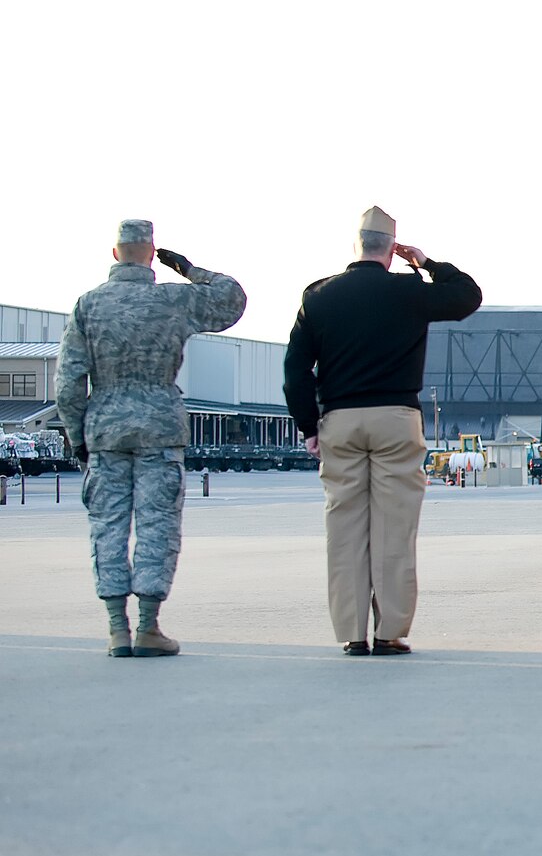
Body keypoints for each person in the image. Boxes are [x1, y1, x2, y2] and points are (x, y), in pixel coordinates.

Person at [283, 207, 482, 655]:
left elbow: (296, 368)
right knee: (395, 528)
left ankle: (353, 633)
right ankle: (389, 631)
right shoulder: (410, 290)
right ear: (392, 249)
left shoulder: (318, 296)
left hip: (340, 420)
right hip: (395, 417)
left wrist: (307, 425)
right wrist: (427, 264)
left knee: (345, 528)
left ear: (354, 246)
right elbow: (468, 296)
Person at [56, 219, 246, 657]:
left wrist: (77, 434)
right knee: (157, 525)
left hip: (104, 428)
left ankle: (116, 629)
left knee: (107, 526)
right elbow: (232, 299)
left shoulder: (89, 305)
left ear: (115, 252)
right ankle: (148, 626)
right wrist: (190, 270)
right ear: (152, 252)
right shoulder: (173, 299)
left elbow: (68, 383)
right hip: (160, 424)